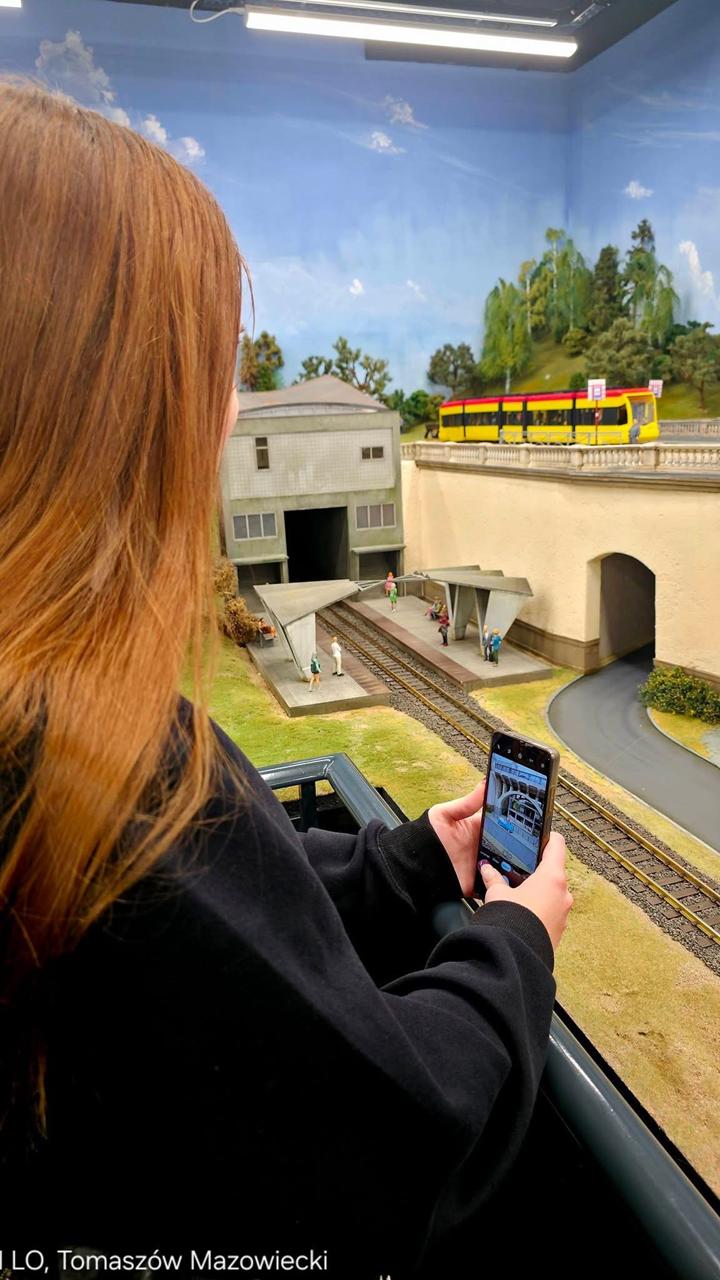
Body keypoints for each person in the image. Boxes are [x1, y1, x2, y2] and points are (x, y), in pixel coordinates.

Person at [0, 83, 572, 1277]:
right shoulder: (74, 768)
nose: (223, 419)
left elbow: (230, 886)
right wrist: (516, 940)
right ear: (112, 406)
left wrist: (410, 862)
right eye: (208, 371)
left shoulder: (54, 729)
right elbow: (392, 1135)